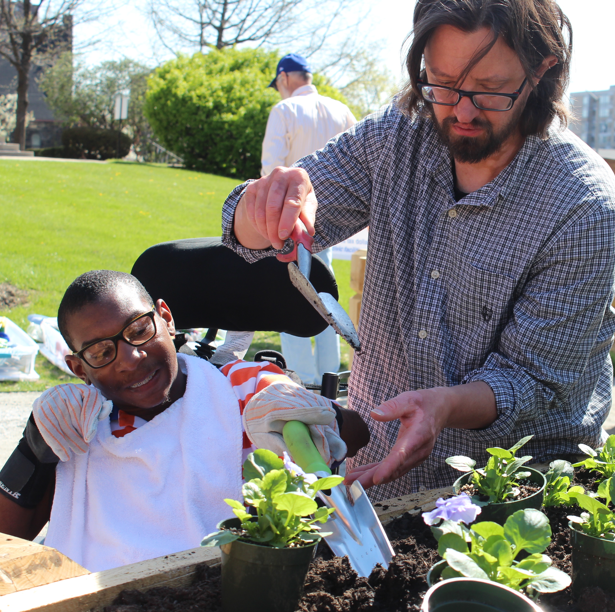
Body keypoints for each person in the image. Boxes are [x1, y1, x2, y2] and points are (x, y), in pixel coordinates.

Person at [220, 0, 615, 503]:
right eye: (443, 83)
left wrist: (445, 405)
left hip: (514, 488)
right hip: (377, 459)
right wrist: (263, 208)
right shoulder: (398, 134)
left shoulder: (582, 203)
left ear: (543, 71)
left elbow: (533, 379)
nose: (463, 111)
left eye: (491, 91)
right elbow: (251, 233)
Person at [0, 270, 369, 571]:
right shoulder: (77, 426)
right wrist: (33, 448)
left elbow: (357, 434)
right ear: (78, 368)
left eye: (139, 329)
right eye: (101, 351)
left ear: (166, 318)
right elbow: (8, 541)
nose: (131, 357)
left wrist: (320, 418)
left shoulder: (243, 390)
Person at [263, 53, 356, 385]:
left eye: (278, 83)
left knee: (291, 294)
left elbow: (270, 169)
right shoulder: (341, 110)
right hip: (336, 219)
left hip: (291, 219)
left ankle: (303, 375)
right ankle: (330, 373)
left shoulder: (285, 110)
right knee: (324, 292)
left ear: (285, 77)